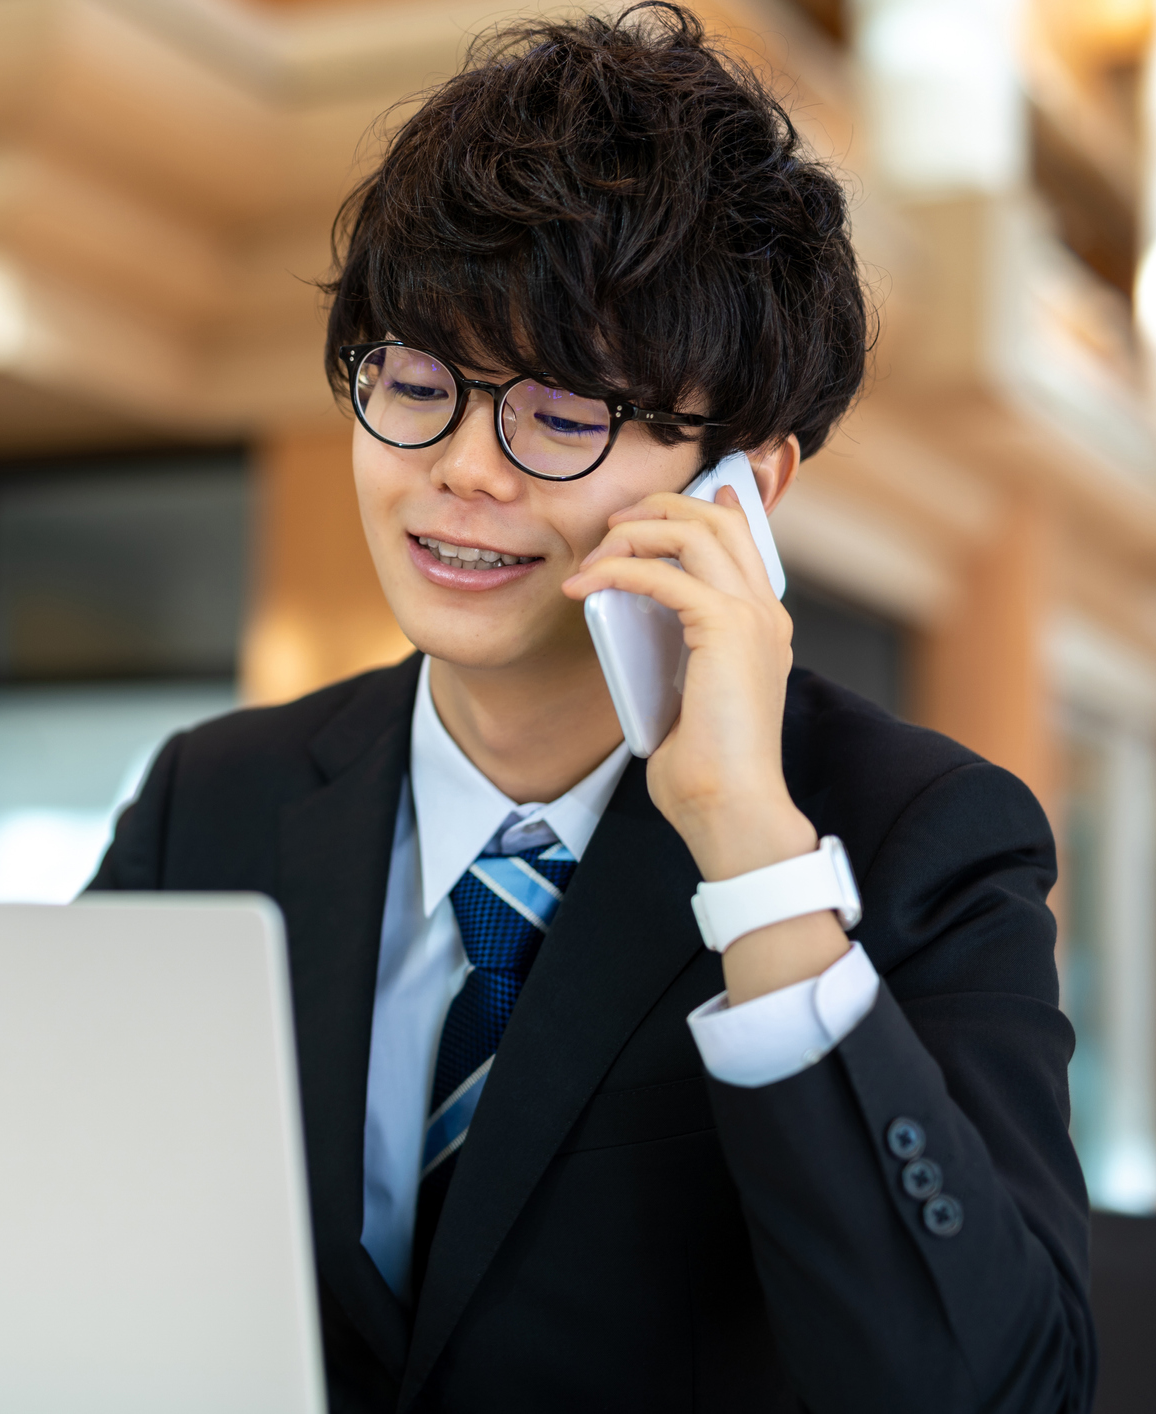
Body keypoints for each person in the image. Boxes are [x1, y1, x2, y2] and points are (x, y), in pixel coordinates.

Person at [88, 6, 1093, 1411]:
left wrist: (750, 852)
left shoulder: (920, 837)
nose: (460, 473)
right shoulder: (212, 799)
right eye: (417, 385)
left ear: (744, 486)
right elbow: (56, 1233)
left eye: (557, 416)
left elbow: (997, 1388)